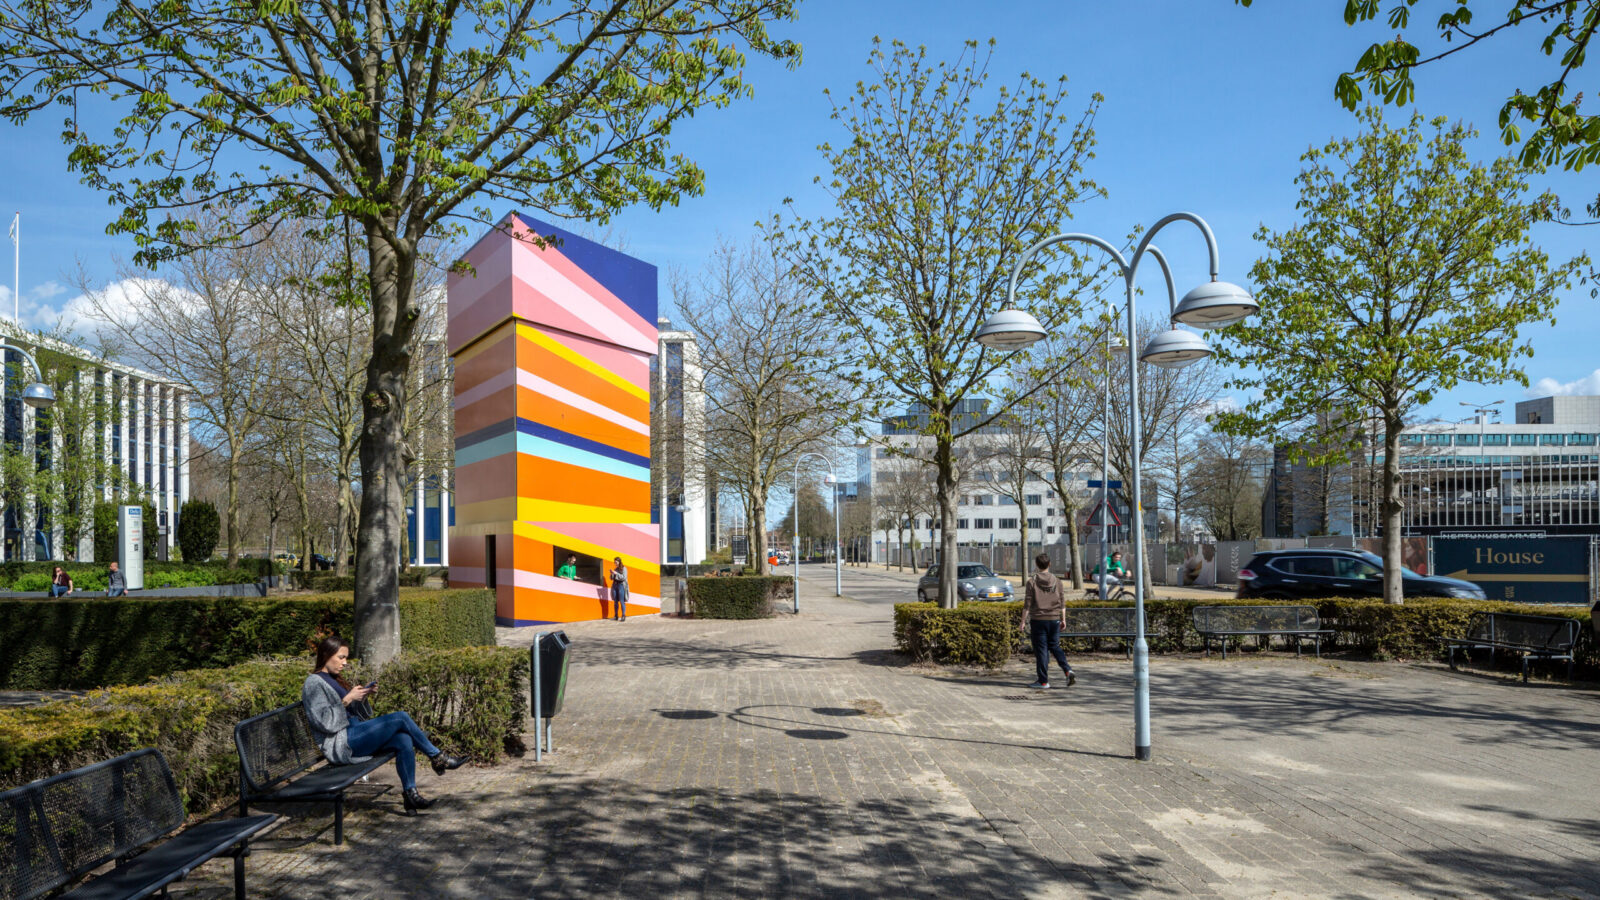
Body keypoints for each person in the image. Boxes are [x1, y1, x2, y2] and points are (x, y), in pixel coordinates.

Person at [301, 636, 466, 815]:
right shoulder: (313, 683)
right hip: (342, 743)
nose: (345, 662)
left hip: (354, 733)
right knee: (401, 717)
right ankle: (438, 757)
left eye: (346, 658)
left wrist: (362, 697)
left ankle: (411, 795)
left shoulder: (335, 678)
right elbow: (324, 722)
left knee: (403, 739)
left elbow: (355, 714)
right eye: (341, 657)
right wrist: (348, 699)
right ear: (326, 654)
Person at [1018, 553, 1074, 689]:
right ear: (1049, 564)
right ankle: (1067, 670)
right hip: (1054, 619)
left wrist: (1023, 621)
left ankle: (1043, 681)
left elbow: (1027, 604)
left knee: (1042, 651)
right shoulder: (1057, 581)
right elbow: (1062, 602)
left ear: (1036, 565)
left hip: (1038, 620)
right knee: (1055, 646)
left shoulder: (1031, 582)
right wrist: (1063, 619)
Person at [610, 557, 629, 621]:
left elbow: (624, 577)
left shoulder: (624, 568)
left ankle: (623, 615)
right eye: (614, 562)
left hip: (621, 585)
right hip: (615, 585)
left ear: (619, 562)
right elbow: (612, 578)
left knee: (621, 601)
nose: (615, 563)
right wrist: (612, 573)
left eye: (616, 562)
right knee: (615, 601)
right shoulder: (615, 569)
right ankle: (616, 615)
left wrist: (616, 573)